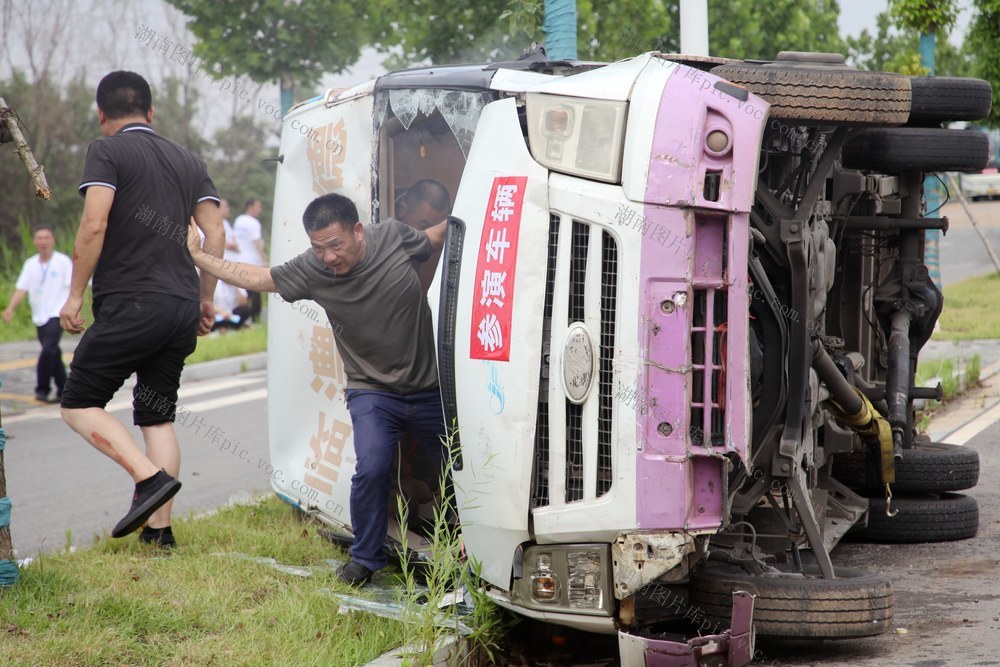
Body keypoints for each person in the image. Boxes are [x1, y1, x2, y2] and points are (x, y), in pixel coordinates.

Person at [187, 192, 447, 585]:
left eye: (335, 245)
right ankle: (365, 559)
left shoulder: (393, 236)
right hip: (372, 390)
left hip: (429, 386)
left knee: (457, 466)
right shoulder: (313, 269)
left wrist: (481, 203)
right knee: (373, 467)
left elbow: (434, 238)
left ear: (358, 231)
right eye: (318, 248)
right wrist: (201, 258)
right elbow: (259, 277)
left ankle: (471, 545)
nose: (328, 257)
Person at [59, 70, 225, 549]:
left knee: (77, 404)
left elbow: (94, 225)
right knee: (156, 416)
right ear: (151, 113)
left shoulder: (106, 150)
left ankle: (147, 478)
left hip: (133, 300)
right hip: (179, 306)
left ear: (102, 113)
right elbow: (214, 234)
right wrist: (206, 297)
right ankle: (160, 535)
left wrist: (74, 295)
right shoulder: (189, 160)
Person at [2, 226, 73, 403]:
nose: (43, 242)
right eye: (39, 238)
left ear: (53, 240)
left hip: (57, 313)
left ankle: (42, 388)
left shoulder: (62, 262)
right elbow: (21, 288)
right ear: (35, 242)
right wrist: (10, 308)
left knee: (48, 349)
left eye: (46, 238)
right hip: (39, 315)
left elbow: (75, 284)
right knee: (53, 352)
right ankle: (64, 390)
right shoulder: (30, 264)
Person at [395, 179, 451, 293]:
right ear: (402, 210)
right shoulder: (383, 236)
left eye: (438, 229)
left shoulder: (438, 240)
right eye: (423, 225)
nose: (434, 237)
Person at [232, 197, 266, 323]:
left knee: (244, 291)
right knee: (255, 292)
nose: (260, 210)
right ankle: (254, 318)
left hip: (240, 260)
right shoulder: (254, 223)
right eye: (258, 207)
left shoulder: (238, 220)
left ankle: (244, 320)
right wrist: (264, 260)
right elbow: (256, 241)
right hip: (253, 262)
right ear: (250, 207)